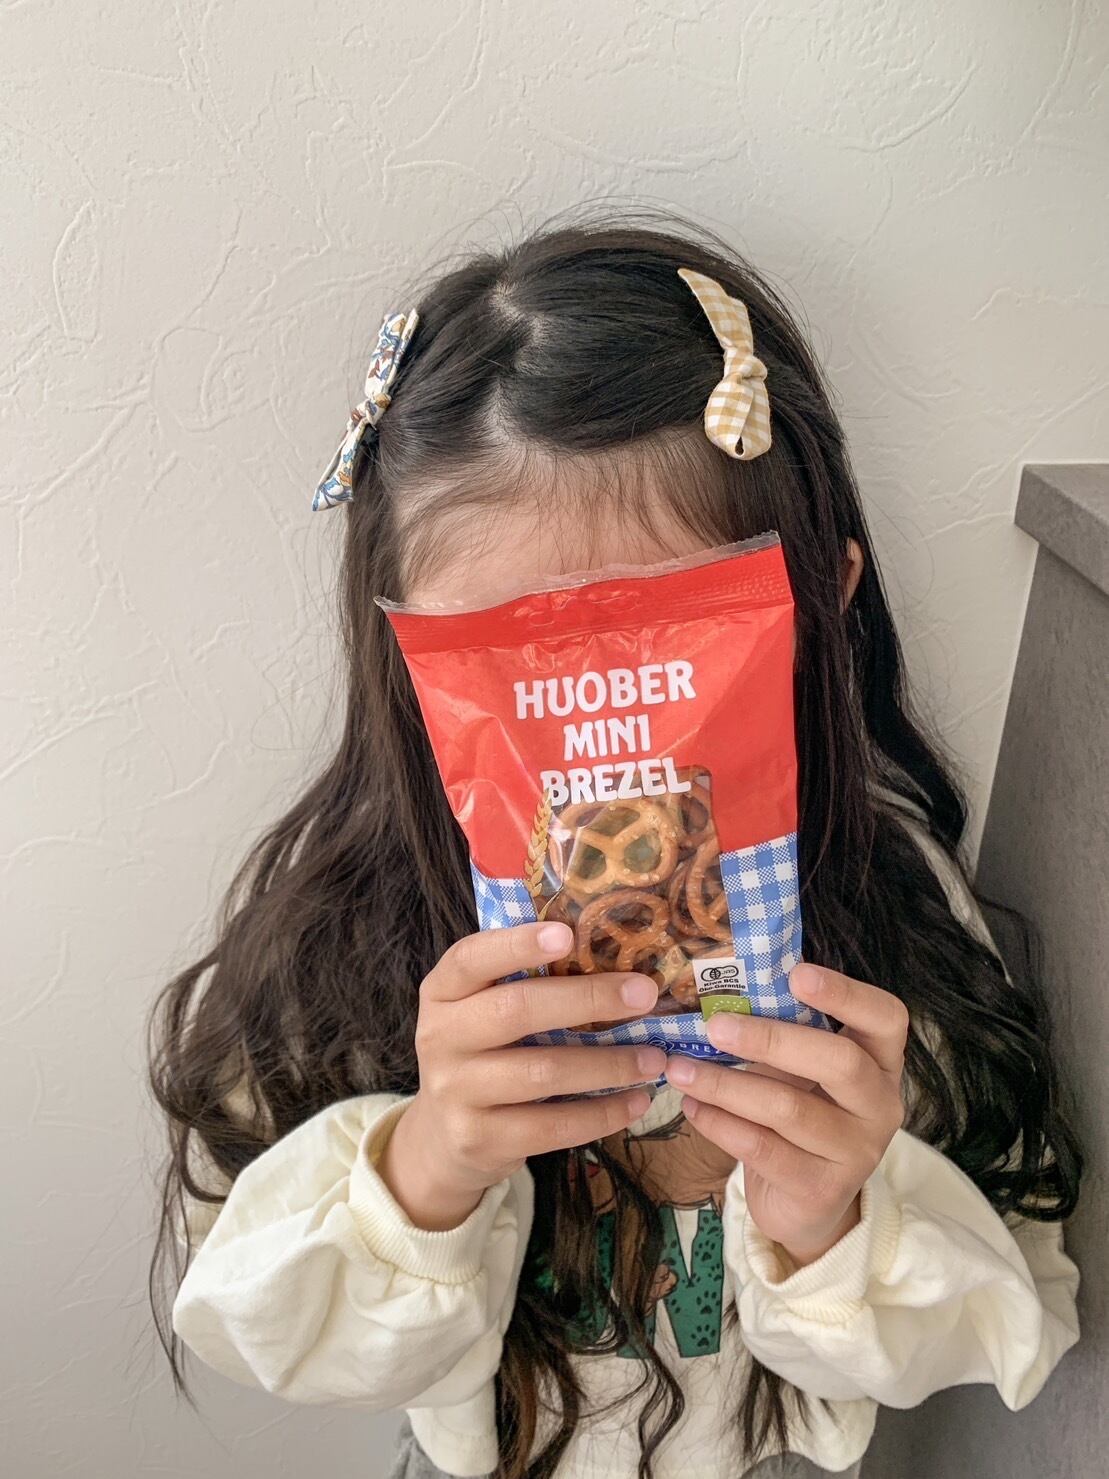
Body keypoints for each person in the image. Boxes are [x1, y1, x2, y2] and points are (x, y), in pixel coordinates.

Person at [148, 207, 1081, 1479]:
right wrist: (425, 1166)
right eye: (506, 666)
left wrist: (834, 1223)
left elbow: (1007, 1312)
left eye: (674, 644)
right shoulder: (344, 937)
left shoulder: (890, 921)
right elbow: (258, 1316)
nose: (595, 751)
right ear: (403, 653)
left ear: (821, 604)